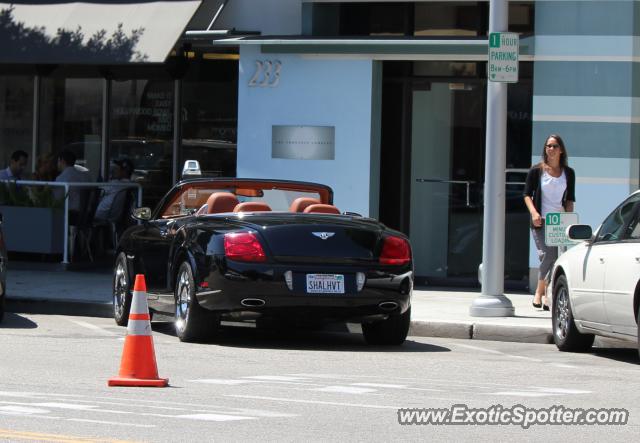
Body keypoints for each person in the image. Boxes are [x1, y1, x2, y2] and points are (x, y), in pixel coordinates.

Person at [523, 134, 575, 310]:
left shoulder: (568, 173)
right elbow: (526, 195)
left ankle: (547, 295)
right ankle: (539, 292)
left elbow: (570, 200)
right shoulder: (536, 171)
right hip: (541, 221)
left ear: (561, 150)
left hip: (559, 222)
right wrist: (534, 213)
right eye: (548, 146)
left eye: (554, 146)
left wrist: (570, 220)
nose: (550, 149)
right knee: (547, 255)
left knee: (558, 258)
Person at [55, 149, 92, 224]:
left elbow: (57, 201)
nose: (57, 164)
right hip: (88, 214)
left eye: (58, 161)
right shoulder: (86, 176)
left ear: (62, 160)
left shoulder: (62, 178)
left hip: (71, 215)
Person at [94, 158, 134, 223]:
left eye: (117, 169)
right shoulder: (132, 185)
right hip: (115, 215)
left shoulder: (116, 184)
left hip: (102, 214)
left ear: (124, 171)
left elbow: (98, 192)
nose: (114, 171)